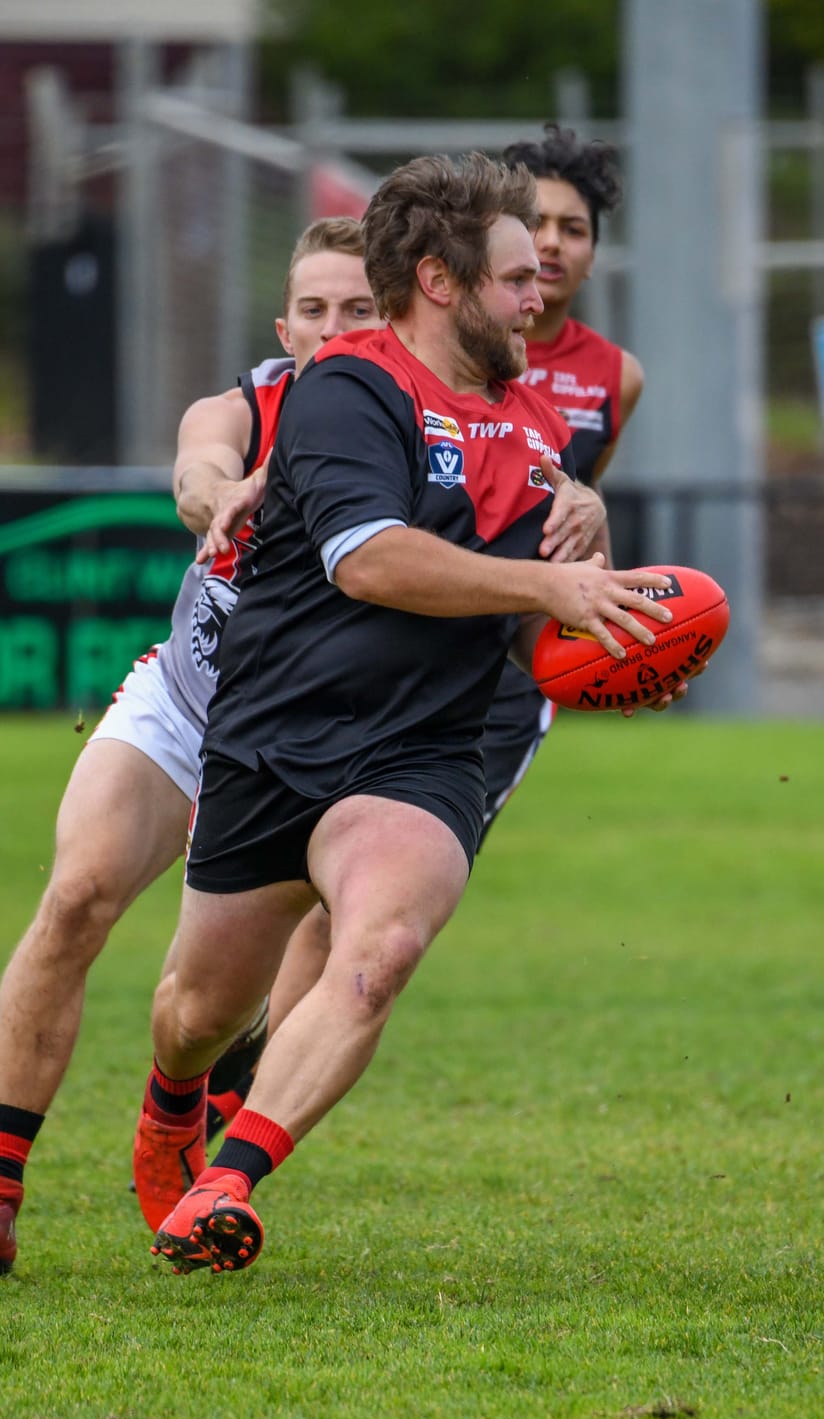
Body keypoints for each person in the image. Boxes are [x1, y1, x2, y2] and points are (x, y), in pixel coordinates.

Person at [138, 151, 685, 1278]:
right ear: (440, 280)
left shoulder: (533, 418)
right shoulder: (351, 383)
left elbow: (557, 578)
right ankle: (172, 1104)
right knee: (196, 1008)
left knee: (379, 947)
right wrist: (551, 587)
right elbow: (366, 559)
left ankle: (230, 1180)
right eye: (517, 278)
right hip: (274, 737)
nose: (542, 299)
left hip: (424, 750)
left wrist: (624, 628)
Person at [0, 218, 384, 1276]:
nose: (332, 327)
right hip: (183, 705)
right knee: (76, 897)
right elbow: (196, 462)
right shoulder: (249, 402)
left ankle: (180, 1097)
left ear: (397, 315)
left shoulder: (422, 426)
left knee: (201, 1009)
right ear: (283, 323)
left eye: (358, 307)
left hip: (309, 748)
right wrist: (215, 493)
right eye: (313, 308)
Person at [471, 124, 646, 837]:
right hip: (413, 633)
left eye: (572, 228)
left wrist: (634, 644)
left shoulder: (616, 376)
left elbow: (574, 525)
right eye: (534, 222)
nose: (550, 242)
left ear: (594, 254)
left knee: (409, 883)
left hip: (515, 667)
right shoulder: (443, 348)